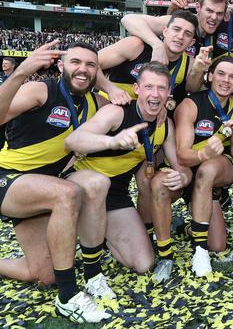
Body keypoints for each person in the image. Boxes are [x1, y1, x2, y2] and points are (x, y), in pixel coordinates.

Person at [0, 41, 111, 323]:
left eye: (90, 65)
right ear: (61, 65)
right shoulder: (40, 89)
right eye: (75, 62)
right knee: (67, 192)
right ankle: (68, 297)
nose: (82, 70)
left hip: (43, 188)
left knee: (43, 274)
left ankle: (81, 275)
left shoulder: (95, 103)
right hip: (8, 178)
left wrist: (112, 89)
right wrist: (20, 72)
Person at [66, 61, 191, 278]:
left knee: (143, 263)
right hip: (81, 185)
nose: (155, 94)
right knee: (98, 184)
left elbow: (183, 169)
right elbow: (73, 141)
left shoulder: (165, 126)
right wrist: (112, 142)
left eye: (161, 88)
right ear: (136, 89)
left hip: (115, 194)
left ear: (169, 92)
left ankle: (100, 230)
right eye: (149, 87)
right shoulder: (117, 113)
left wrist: (182, 178)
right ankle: (86, 241)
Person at [174, 57, 233, 276]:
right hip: (190, 167)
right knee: (217, 245)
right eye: (221, 74)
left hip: (213, 172)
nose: (226, 80)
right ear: (210, 76)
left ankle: (200, 246)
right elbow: (182, 155)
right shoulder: (190, 104)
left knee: (207, 171)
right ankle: (197, 244)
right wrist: (204, 153)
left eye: (232, 76)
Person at [98, 10, 198, 103]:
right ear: (165, 31)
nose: (180, 36)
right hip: (110, 107)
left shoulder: (189, 65)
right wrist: (110, 89)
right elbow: (91, 63)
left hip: (147, 116)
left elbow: (194, 90)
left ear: (191, 42)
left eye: (187, 34)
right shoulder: (135, 45)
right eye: (176, 29)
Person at [121, 0, 228, 61]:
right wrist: (157, 45)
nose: (214, 17)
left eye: (219, 13)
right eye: (209, 11)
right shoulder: (183, 23)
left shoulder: (222, 28)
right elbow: (128, 19)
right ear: (198, 7)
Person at [0, 57, 17, 147]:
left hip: (9, 110)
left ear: (12, 65)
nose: (3, 64)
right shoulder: (1, 76)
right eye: (3, 63)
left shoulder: (17, 78)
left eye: (6, 63)